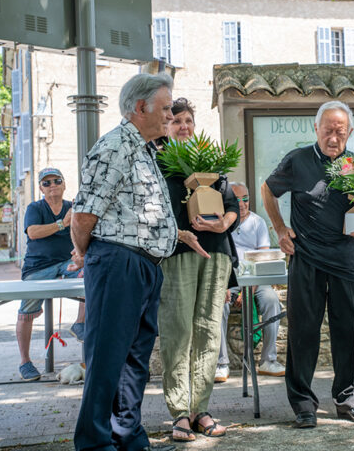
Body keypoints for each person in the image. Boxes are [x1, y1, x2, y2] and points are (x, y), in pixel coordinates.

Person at [71, 73, 203, 451]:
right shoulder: (114, 146)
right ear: (140, 107)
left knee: (134, 362)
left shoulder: (146, 149)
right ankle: (95, 443)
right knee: (107, 357)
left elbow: (134, 213)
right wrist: (84, 252)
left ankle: (128, 438)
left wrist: (173, 235)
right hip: (118, 264)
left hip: (143, 266)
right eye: (165, 108)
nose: (170, 115)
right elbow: (84, 216)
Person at [261, 100, 354, 428]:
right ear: (315, 128)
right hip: (306, 258)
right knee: (303, 332)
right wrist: (279, 228)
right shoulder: (298, 160)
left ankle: (348, 398)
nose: (334, 137)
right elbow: (268, 190)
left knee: (349, 331)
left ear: (350, 132)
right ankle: (303, 404)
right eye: (328, 130)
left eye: (340, 131)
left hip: (346, 259)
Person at [157, 97, 239, 442]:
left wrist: (225, 223)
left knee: (208, 331)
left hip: (215, 254)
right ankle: (179, 413)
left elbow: (233, 206)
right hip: (177, 253)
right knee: (178, 332)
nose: (184, 126)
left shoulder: (211, 162)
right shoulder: (158, 162)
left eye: (188, 120)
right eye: (176, 121)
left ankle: (199, 410)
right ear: (167, 126)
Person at [16, 167, 84, 381]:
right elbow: (33, 233)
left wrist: (81, 253)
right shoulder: (35, 207)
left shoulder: (74, 207)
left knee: (92, 276)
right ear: (40, 188)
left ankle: (80, 323)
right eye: (47, 183)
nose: (52, 185)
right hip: (38, 267)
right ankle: (25, 362)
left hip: (66, 262)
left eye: (57, 180)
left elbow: (86, 232)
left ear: (64, 185)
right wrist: (62, 223)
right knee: (26, 311)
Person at [215, 182, 285, 383]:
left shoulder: (258, 222)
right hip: (228, 276)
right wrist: (225, 286)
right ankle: (221, 364)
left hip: (255, 275)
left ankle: (268, 360)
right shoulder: (221, 223)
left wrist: (250, 288)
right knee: (218, 306)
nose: (243, 203)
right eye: (237, 199)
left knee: (271, 300)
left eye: (245, 198)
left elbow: (263, 257)